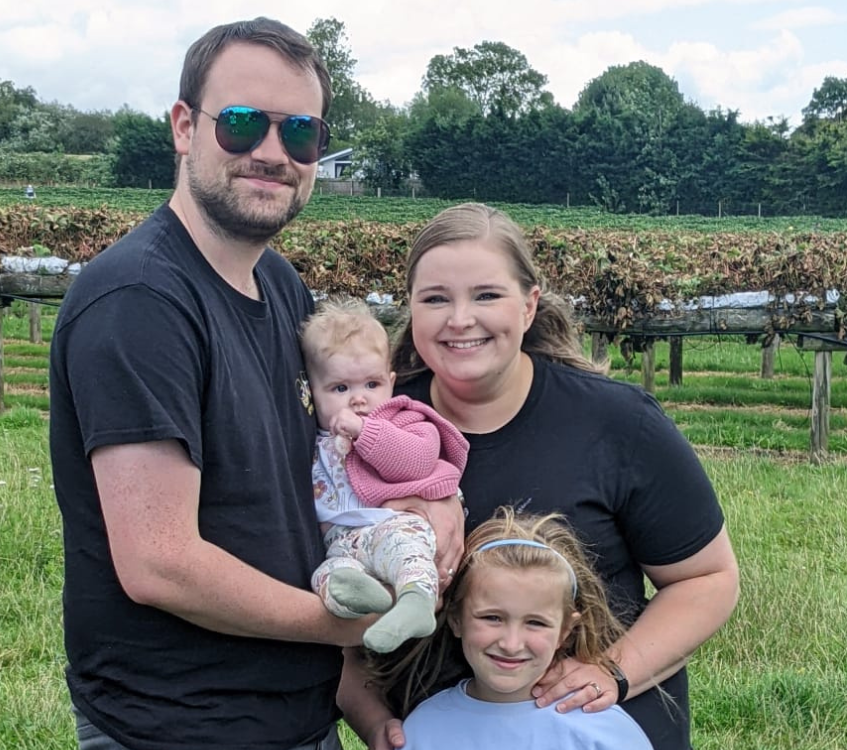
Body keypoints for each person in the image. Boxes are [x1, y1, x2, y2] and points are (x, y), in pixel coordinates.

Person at [47, 18, 462, 750]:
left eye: (299, 134)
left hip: (290, 714)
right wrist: (348, 621)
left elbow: (332, 451)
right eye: (241, 125)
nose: (271, 154)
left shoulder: (279, 285)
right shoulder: (141, 302)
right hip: (177, 725)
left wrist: (433, 501)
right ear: (184, 127)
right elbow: (159, 564)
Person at [339, 203, 739, 750]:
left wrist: (613, 673)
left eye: (486, 295)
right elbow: (328, 599)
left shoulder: (617, 424)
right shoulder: (365, 431)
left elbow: (707, 580)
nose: (460, 319)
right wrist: (373, 721)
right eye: (435, 298)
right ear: (411, 310)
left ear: (529, 305)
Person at [389, 508, 653, 750]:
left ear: (565, 630)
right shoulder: (423, 728)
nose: (511, 643)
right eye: (492, 618)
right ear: (456, 619)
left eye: (535, 623)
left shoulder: (605, 733)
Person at [300, 298, 470, 654]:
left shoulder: (401, 421)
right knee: (329, 573)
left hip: (393, 524)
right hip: (342, 539)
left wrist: (364, 433)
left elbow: (416, 462)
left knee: (404, 551)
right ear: (312, 392)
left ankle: (416, 602)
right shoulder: (313, 440)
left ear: (391, 383)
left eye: (372, 384)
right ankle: (356, 596)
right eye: (340, 389)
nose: (359, 399)